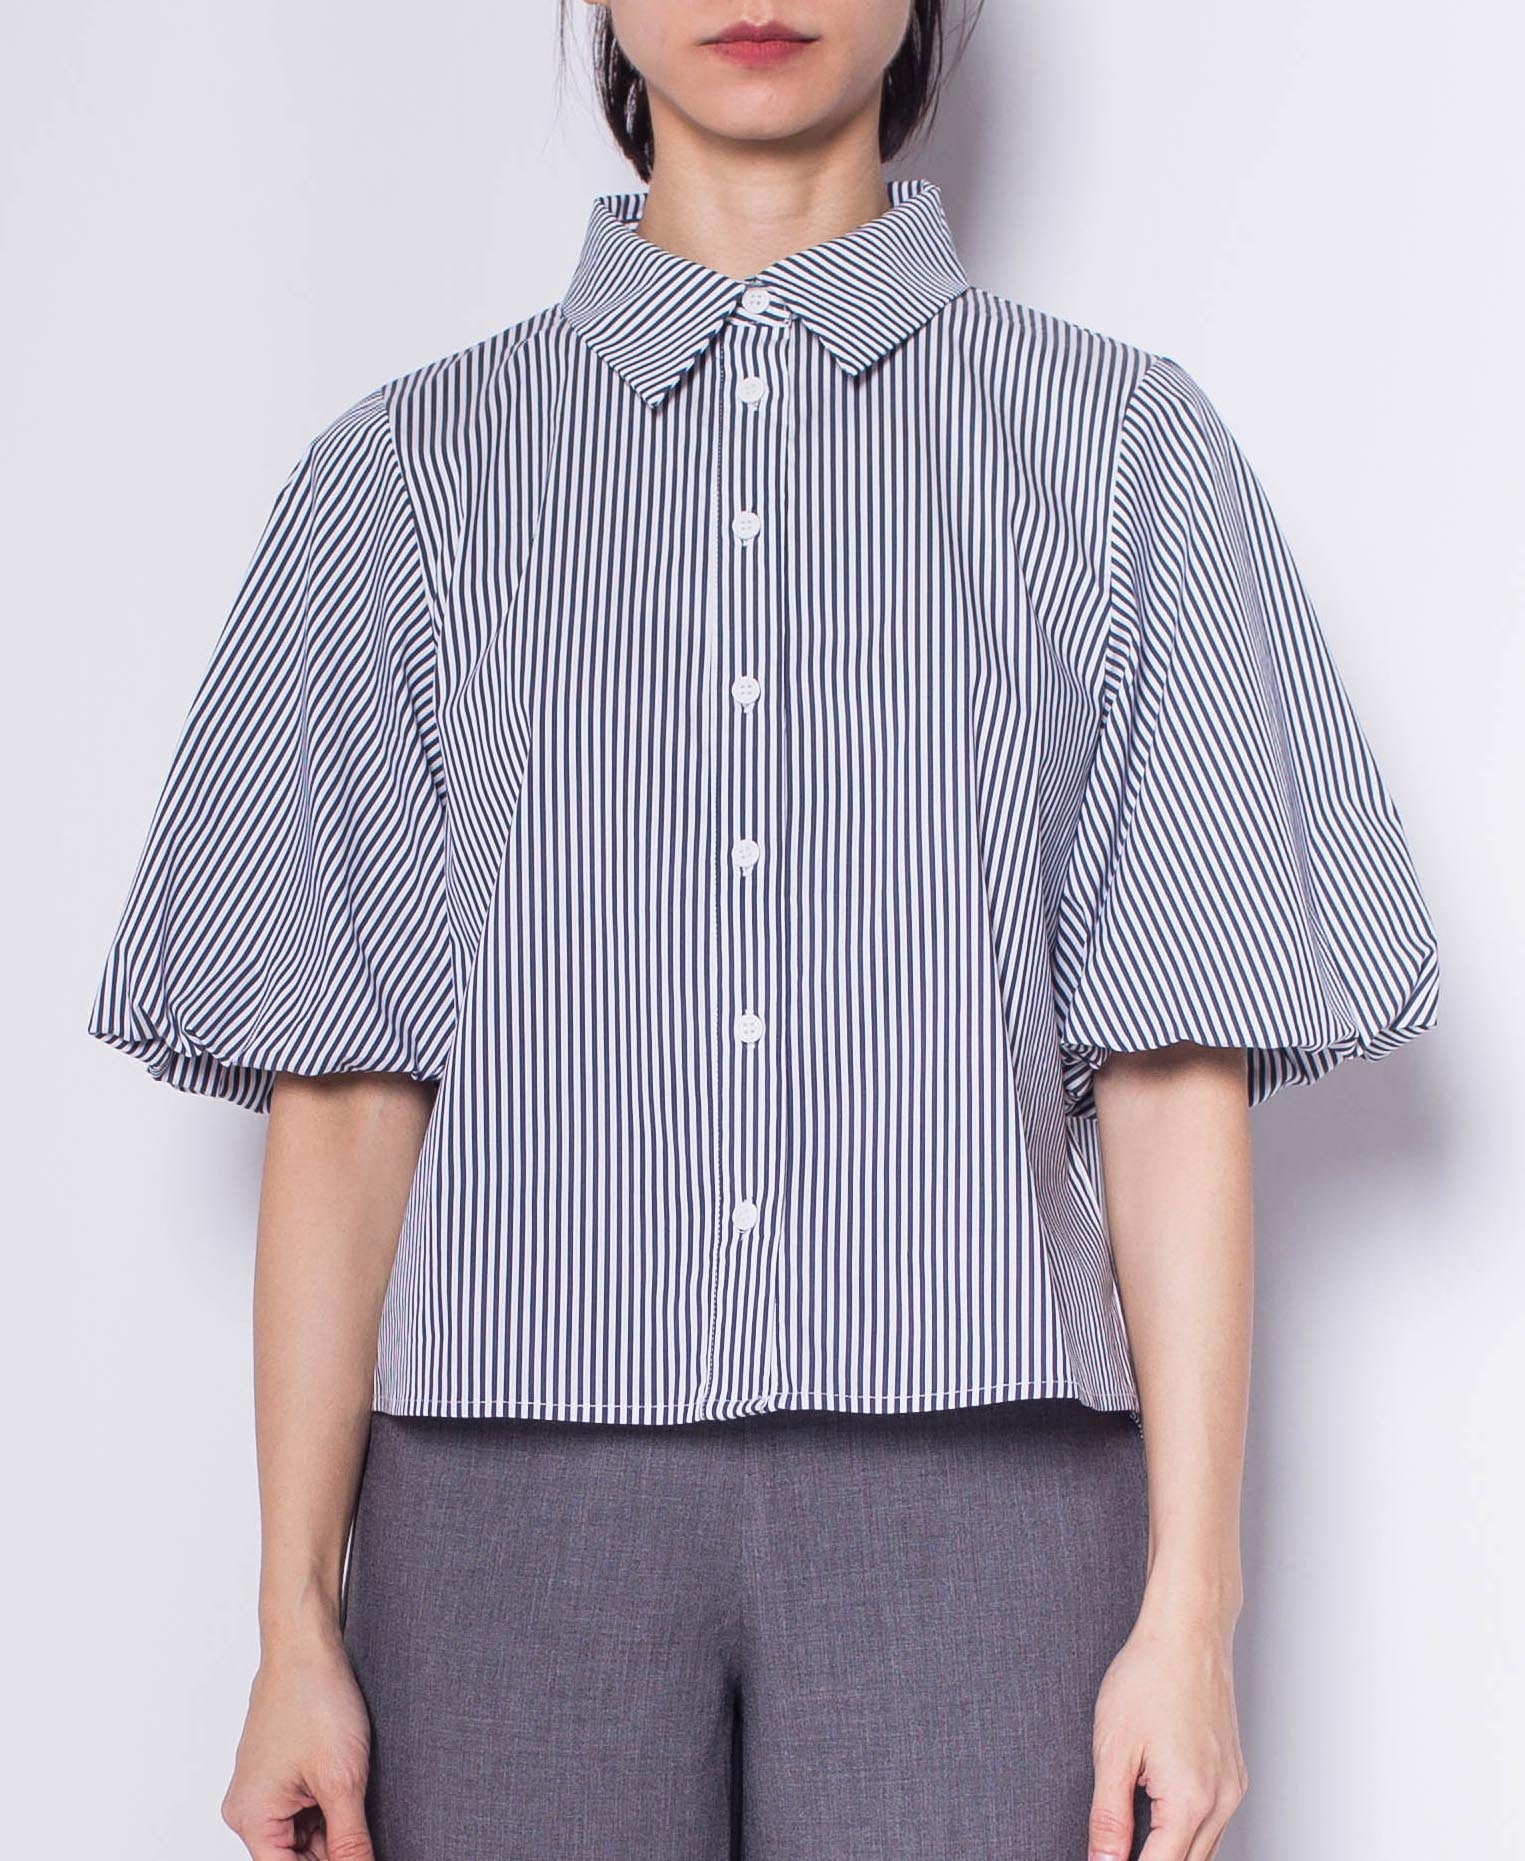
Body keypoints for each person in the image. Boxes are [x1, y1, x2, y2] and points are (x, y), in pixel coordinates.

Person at [85, 3, 1441, 1857]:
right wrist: (291, 1629)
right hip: (506, 1520)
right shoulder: (407, 481)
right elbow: (343, 1096)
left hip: (980, 1509)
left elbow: (1172, 1071)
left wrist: (1189, 1614)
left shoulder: (1119, 455)